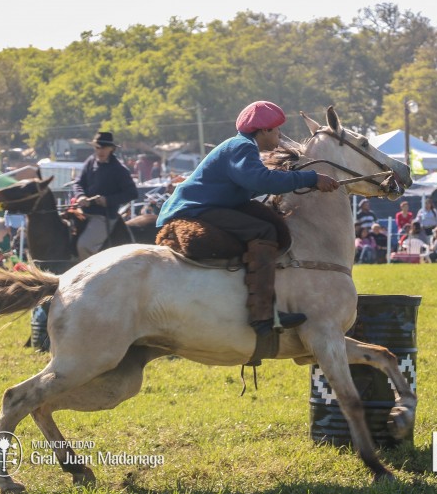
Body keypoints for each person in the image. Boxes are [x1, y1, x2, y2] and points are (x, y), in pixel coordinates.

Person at [155, 100, 339, 338]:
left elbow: (253, 183)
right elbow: (260, 182)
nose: (280, 135)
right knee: (264, 231)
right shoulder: (242, 147)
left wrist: (290, 176)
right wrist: (310, 178)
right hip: (193, 211)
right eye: (277, 129)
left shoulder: (241, 146)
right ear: (264, 130)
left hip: (202, 207)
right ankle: (263, 315)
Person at [71, 132, 139, 260]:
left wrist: (107, 200)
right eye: (97, 147)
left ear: (111, 149)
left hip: (103, 216)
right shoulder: (90, 161)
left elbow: (132, 193)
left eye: (104, 148)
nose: (100, 151)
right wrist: (80, 196)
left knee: (84, 246)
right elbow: (78, 182)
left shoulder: (119, 169)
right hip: (83, 211)